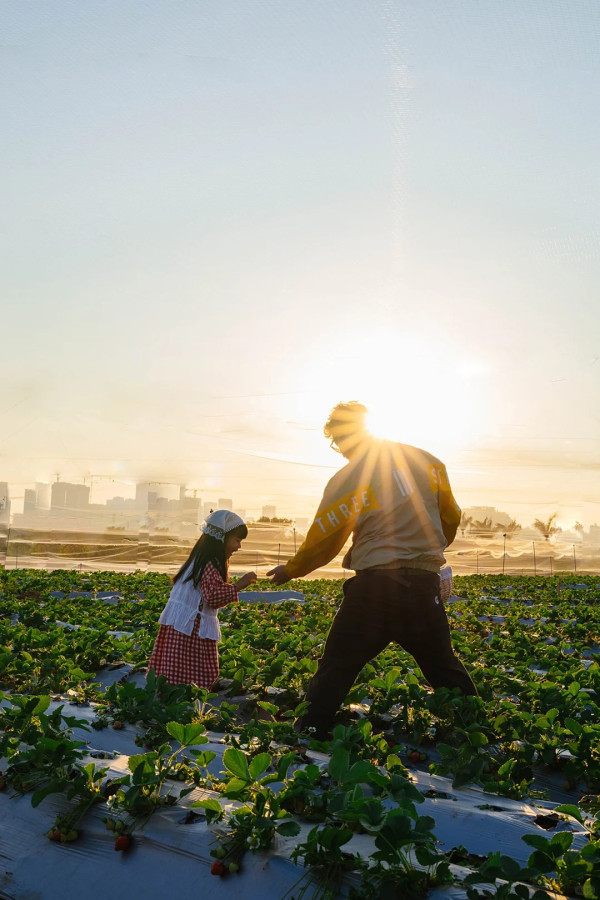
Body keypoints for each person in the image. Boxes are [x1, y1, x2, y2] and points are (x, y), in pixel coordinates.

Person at [267, 401, 477, 739]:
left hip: (374, 589)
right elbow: (450, 514)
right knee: (444, 668)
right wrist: (428, 550)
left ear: (345, 436)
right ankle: (478, 732)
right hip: (422, 585)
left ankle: (310, 733)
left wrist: (293, 569)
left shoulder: (349, 479)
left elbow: (325, 539)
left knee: (336, 666)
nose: (340, 451)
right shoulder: (429, 463)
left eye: (338, 441)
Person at [148, 510, 256, 688]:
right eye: (237, 540)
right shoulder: (210, 563)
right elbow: (212, 597)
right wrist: (239, 585)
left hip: (181, 626)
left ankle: (170, 699)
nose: (239, 546)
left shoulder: (197, 560)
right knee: (195, 676)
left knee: (173, 671)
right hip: (193, 629)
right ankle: (190, 702)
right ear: (221, 538)